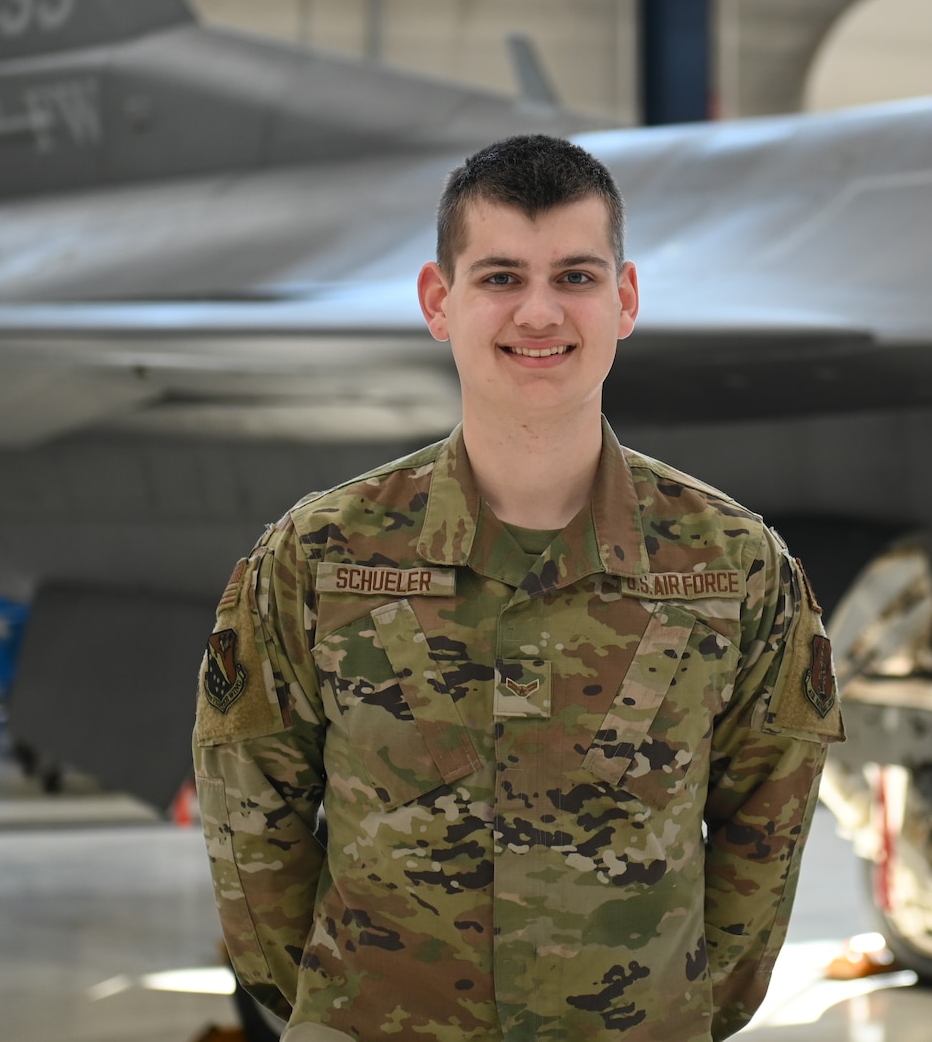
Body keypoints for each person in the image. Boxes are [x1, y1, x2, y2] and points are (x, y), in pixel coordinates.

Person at [194, 134, 843, 1042]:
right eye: (501, 277)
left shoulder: (732, 567)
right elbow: (251, 834)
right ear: (438, 300)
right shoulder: (320, 557)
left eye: (575, 277)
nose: (539, 313)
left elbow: (761, 850)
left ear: (625, 300)